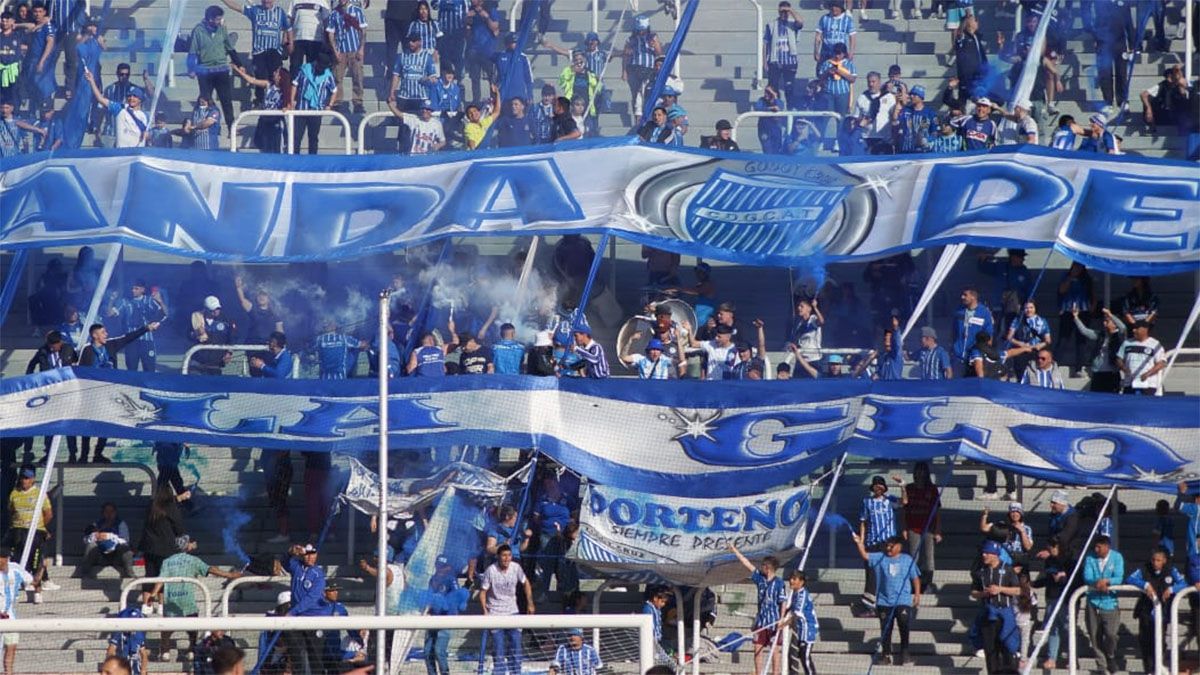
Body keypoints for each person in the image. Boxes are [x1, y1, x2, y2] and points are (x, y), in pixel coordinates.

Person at [155, 535, 242, 662]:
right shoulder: (193, 560)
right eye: (190, 542)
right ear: (187, 546)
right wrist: (229, 574)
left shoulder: (167, 561)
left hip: (171, 600)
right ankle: (191, 649)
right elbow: (210, 569)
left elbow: (160, 579)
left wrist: (153, 594)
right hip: (187, 600)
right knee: (192, 627)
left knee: (167, 628)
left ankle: (165, 651)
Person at [851, 533, 919, 665]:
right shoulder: (879, 557)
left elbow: (915, 578)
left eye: (891, 546)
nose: (888, 549)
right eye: (887, 546)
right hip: (884, 601)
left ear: (899, 546)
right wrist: (859, 543)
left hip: (902, 600)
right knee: (886, 628)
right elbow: (865, 555)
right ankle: (886, 654)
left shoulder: (907, 559)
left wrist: (917, 595)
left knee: (904, 624)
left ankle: (905, 653)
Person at [219, 0, 291, 108]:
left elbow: (288, 28)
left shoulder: (280, 12)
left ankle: (279, 101)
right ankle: (260, 100)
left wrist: (289, 43)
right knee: (260, 76)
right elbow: (236, 7)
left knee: (276, 77)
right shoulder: (255, 10)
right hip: (259, 52)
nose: (266, 1)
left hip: (274, 51)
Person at [1125, 546, 1185, 673]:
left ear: (1164, 560)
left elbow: (1184, 583)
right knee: (1145, 641)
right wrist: (1145, 585)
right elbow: (1130, 578)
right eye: (1153, 560)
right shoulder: (1145, 568)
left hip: (1162, 612)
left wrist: (1172, 589)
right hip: (1145, 611)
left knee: (1159, 641)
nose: (1155, 563)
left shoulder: (1171, 570)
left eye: (1158, 560)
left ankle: (1157, 667)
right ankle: (1149, 670)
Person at [729, 544, 784, 675]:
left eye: (763, 565)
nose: (761, 567)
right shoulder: (759, 578)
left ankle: (776, 673)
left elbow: (783, 601)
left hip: (773, 622)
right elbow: (747, 564)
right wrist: (735, 550)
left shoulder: (779, 583)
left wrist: (781, 619)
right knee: (757, 648)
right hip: (761, 622)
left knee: (775, 650)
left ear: (768, 567)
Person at [480, 544, 534, 675]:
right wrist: (485, 611)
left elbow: (526, 583)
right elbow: (483, 592)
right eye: (504, 555)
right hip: (495, 613)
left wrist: (530, 603)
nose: (507, 558)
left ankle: (516, 672)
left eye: (509, 555)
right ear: (498, 556)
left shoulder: (516, 568)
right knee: (498, 650)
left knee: (516, 647)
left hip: (512, 612)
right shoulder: (491, 570)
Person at [970, 540, 1021, 673]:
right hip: (988, 616)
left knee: (1007, 648)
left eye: (987, 553)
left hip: (1005, 616)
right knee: (990, 651)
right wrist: (984, 593)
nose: (984, 555)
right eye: (983, 553)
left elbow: (1018, 590)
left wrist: (1000, 589)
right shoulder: (980, 571)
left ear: (995, 554)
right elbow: (973, 592)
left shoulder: (1008, 569)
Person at [136, 484, 185, 614]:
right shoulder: (171, 508)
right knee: (164, 575)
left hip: (148, 547)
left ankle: (146, 605)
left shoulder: (151, 507)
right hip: (166, 548)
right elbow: (179, 527)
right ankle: (162, 604)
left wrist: (178, 499)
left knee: (150, 575)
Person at [7, 466, 52, 604]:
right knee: (17, 561)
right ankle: (16, 589)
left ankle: (37, 590)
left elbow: (48, 513)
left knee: (36, 560)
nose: (24, 481)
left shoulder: (39, 493)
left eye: (27, 478)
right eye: (22, 478)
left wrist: (41, 527)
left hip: (34, 532)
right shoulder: (14, 493)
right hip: (18, 531)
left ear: (32, 479)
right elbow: (11, 511)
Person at [188, 6, 235, 134]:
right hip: (205, 71)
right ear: (210, 19)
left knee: (226, 101)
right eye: (218, 19)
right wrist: (191, 68)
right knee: (205, 99)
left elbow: (229, 47)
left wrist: (238, 63)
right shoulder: (198, 30)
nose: (220, 21)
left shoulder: (222, 29)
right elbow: (193, 51)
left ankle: (231, 128)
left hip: (221, 70)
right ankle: (196, 125)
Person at [857, 475, 899, 616]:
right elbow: (863, 521)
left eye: (880, 485)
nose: (878, 488)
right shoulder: (867, 502)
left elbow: (904, 502)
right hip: (872, 543)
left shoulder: (890, 500)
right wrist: (862, 541)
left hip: (888, 543)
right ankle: (870, 606)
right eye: (875, 485)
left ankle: (889, 603)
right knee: (871, 574)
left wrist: (902, 486)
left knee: (889, 572)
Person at [1082, 535, 1124, 674]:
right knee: (1094, 635)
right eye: (1095, 546)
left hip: (1109, 602)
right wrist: (1097, 582)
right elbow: (1087, 576)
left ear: (1107, 546)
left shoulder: (1117, 557)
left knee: (1111, 634)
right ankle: (1101, 664)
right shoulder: (1090, 558)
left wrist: (1107, 581)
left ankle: (1110, 655)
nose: (1096, 549)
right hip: (1093, 601)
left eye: (1099, 547)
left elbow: (1119, 577)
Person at [285, 543, 328, 671]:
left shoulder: (318, 574)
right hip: (297, 618)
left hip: (313, 618)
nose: (310, 557)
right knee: (297, 656)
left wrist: (292, 612)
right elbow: (284, 562)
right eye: (307, 554)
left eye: (312, 554)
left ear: (316, 555)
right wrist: (290, 552)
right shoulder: (296, 567)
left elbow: (311, 598)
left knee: (316, 658)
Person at [899, 462, 940, 591]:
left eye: (923, 471)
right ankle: (914, 583)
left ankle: (928, 583)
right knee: (913, 556)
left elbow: (937, 511)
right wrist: (904, 528)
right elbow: (904, 509)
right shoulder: (909, 488)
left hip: (928, 528)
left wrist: (937, 530)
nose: (920, 473)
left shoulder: (932, 489)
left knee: (928, 557)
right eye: (918, 470)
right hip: (913, 527)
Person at [82, 70, 147, 148]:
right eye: (129, 96)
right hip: (121, 152)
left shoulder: (145, 115)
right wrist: (91, 81)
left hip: (138, 152)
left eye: (135, 96)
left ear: (140, 99)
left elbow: (149, 134)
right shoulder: (120, 109)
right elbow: (100, 99)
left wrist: (148, 135)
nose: (131, 98)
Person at [425, 554, 466, 675]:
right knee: (427, 652)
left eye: (443, 566)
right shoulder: (432, 579)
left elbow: (457, 596)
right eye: (438, 566)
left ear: (448, 567)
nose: (440, 569)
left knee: (439, 650)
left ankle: (445, 673)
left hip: (446, 619)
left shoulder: (451, 579)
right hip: (433, 618)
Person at [289, 52, 337, 154]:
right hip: (301, 109)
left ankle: (313, 159)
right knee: (296, 137)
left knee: (313, 138)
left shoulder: (328, 75)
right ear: (316, 63)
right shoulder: (304, 70)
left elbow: (334, 90)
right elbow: (294, 85)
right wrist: (292, 100)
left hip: (316, 111)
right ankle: (294, 159)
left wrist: (330, 105)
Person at [0, 548, 33, 675]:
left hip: (10, 618)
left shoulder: (16, 568)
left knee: (11, 647)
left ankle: (8, 673)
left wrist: (41, 569)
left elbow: (31, 581)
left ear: (6, 558)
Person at [763, 1, 803, 108]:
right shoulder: (771, 25)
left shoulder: (793, 24)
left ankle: (790, 110)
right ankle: (776, 109)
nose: (784, 13)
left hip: (790, 61)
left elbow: (800, 22)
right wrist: (764, 62)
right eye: (782, 11)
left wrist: (790, 11)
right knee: (773, 88)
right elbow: (765, 44)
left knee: (789, 88)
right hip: (775, 61)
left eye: (786, 11)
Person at [81, 502, 135, 578]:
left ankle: (129, 573)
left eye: (111, 512)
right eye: (106, 512)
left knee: (125, 548)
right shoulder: (96, 524)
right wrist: (95, 536)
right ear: (103, 513)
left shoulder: (121, 524)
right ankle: (85, 573)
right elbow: (85, 539)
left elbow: (125, 541)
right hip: (101, 556)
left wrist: (109, 536)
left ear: (115, 513)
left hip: (116, 556)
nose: (109, 514)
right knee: (91, 546)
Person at [780, 570, 818, 675]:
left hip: (808, 630)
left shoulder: (802, 595)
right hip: (799, 630)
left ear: (801, 582)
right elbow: (790, 608)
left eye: (794, 579)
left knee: (805, 657)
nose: (791, 581)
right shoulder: (795, 593)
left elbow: (796, 614)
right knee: (792, 655)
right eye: (790, 578)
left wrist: (783, 625)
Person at [1117, 320, 1166, 395]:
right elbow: (1119, 359)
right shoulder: (1126, 343)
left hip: (1148, 385)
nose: (1134, 330)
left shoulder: (1155, 344)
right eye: (1133, 328)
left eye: (1137, 328)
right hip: (1129, 383)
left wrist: (1148, 374)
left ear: (1145, 329)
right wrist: (1124, 368)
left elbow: (1161, 363)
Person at [1006, 300, 1052, 380]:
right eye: (1026, 308)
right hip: (1021, 351)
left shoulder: (1042, 321)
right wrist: (1020, 344)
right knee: (1021, 376)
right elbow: (1009, 337)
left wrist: (1040, 345)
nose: (1029, 310)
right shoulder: (1018, 320)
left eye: (1031, 307)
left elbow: (1048, 340)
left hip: (1035, 352)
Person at [952, 287, 992, 375]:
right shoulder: (959, 311)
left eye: (965, 295)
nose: (962, 297)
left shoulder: (984, 313)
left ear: (973, 297)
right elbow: (954, 331)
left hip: (974, 357)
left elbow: (988, 335)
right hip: (958, 355)